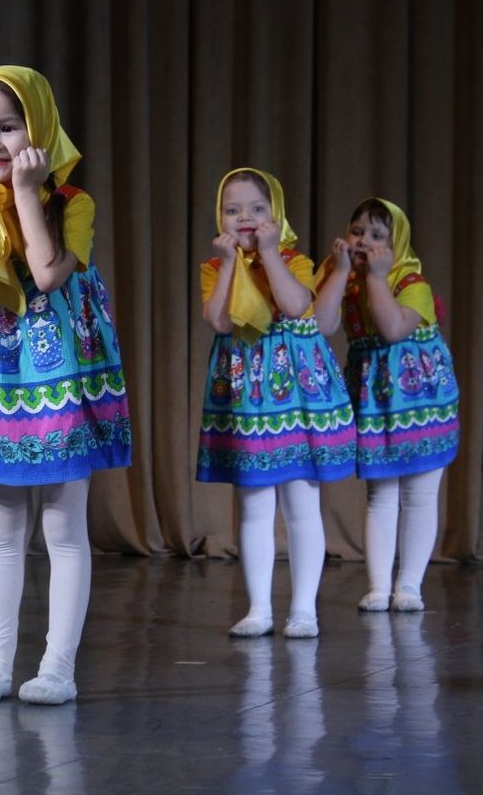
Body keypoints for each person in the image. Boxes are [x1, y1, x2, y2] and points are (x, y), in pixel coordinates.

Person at [0, 65, 131, 705]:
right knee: (5, 527)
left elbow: (46, 273)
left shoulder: (72, 204)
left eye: (8, 127)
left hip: (57, 375)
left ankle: (57, 668)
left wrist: (24, 190)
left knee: (63, 526)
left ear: (38, 131)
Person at [197, 168, 356, 639]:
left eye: (257, 208)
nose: (244, 217)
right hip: (248, 399)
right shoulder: (215, 267)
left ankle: (304, 609)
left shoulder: (295, 261)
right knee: (253, 505)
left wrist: (267, 254)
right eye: (233, 209)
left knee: (302, 503)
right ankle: (259, 608)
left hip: (298, 397)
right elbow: (220, 322)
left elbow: (293, 305)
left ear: (276, 214)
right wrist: (229, 264)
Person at [313, 197, 459, 612]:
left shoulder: (414, 285)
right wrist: (340, 272)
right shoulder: (344, 276)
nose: (364, 242)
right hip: (374, 397)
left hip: (422, 399)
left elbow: (394, 329)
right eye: (358, 231)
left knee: (419, 494)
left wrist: (376, 278)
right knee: (380, 494)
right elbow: (322, 325)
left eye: (378, 236)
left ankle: (409, 585)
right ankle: (378, 585)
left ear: (399, 246)